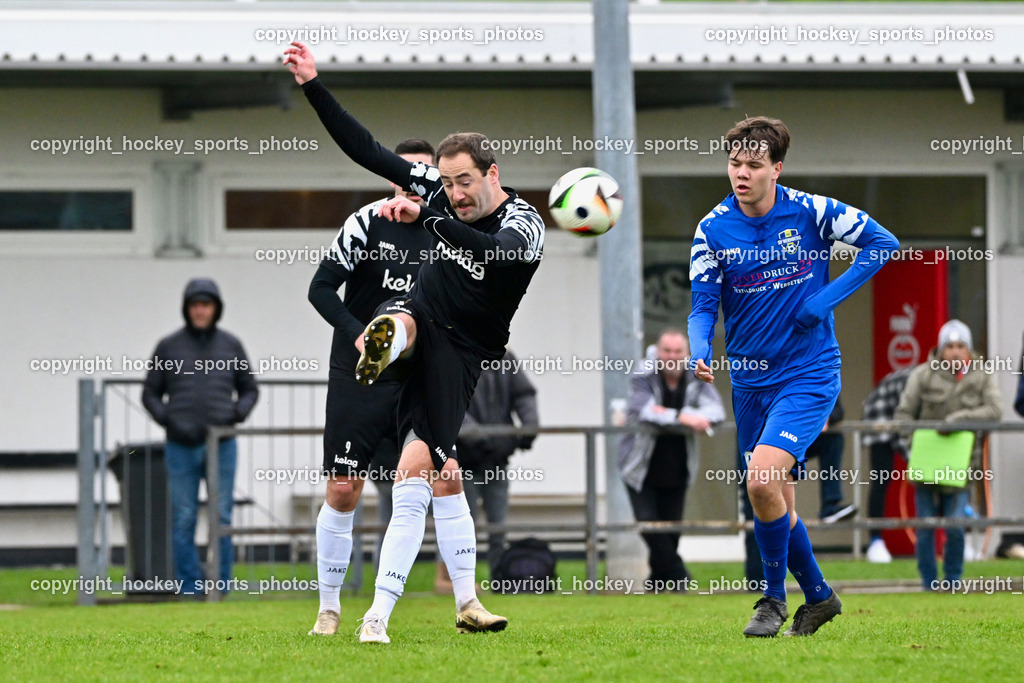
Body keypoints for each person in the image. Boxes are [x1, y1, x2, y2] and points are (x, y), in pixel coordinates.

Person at [285, 42, 544, 644]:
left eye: (464, 181)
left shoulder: (523, 223)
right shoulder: (429, 195)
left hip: (463, 353)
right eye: (446, 181)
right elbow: (366, 149)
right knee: (399, 316)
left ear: (492, 174)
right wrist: (313, 86)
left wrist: (436, 223)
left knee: (425, 472)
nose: (453, 191)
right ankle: (382, 340)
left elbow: (499, 254)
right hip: (419, 316)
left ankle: (419, 606)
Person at [687, 116, 899, 637]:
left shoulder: (813, 211)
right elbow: (702, 307)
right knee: (774, 498)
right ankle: (821, 598)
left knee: (760, 481)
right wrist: (698, 350)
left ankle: (773, 601)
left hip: (809, 372)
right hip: (751, 383)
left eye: (753, 165)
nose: (741, 173)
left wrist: (820, 302)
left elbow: (882, 243)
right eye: (734, 163)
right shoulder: (712, 228)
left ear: (776, 169)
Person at [306, 139, 436, 635]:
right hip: (358, 369)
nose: (414, 182)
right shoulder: (365, 223)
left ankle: (392, 609)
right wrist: (356, 332)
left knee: (428, 481)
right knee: (343, 488)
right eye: (406, 173)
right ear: (391, 176)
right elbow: (319, 288)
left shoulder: (448, 231)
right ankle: (329, 607)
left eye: (425, 174)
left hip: (417, 373)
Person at [142, 278, 259, 595]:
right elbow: (150, 394)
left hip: (221, 445)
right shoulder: (169, 346)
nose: (200, 310)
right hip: (179, 446)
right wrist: (169, 421)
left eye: (206, 304)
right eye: (195, 304)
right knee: (183, 519)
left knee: (222, 517)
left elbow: (249, 389)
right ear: (187, 309)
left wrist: (235, 415)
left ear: (216, 308)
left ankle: (221, 588)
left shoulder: (231, 345)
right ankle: (190, 588)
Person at [894, 319, 1001, 591]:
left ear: (968, 350)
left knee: (955, 527)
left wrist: (959, 419)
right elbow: (903, 416)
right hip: (926, 467)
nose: (954, 352)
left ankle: (953, 581)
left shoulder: (982, 375)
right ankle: (929, 583)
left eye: (960, 346)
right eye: (949, 346)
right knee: (926, 527)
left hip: (963, 467)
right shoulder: (922, 375)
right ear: (940, 350)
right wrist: (913, 449)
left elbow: (995, 411)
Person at [618, 328, 724, 592]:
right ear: (658, 350)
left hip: (678, 468)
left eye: (678, 352)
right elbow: (643, 411)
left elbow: (716, 411)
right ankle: (680, 577)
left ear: (686, 353)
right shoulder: (644, 373)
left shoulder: (695, 374)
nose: (672, 357)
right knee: (650, 527)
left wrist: (678, 413)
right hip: (638, 468)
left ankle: (657, 583)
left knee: (671, 531)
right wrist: (683, 417)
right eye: (667, 351)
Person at [457, 348, 539, 577]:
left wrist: (529, 426)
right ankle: (462, 581)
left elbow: (524, 394)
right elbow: (449, 405)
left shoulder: (505, 357)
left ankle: (499, 578)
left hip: (496, 459)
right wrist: (480, 437)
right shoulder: (456, 355)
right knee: (463, 526)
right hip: (463, 461)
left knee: (498, 527)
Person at [860, 365, 915, 563]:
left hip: (902, 414)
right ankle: (875, 541)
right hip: (880, 412)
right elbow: (904, 427)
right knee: (881, 476)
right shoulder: (918, 383)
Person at [804, 398, 857, 523]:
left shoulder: (827, 379)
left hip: (802, 437)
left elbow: (838, 411)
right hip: (771, 437)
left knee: (833, 437)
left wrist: (825, 416)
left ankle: (830, 507)